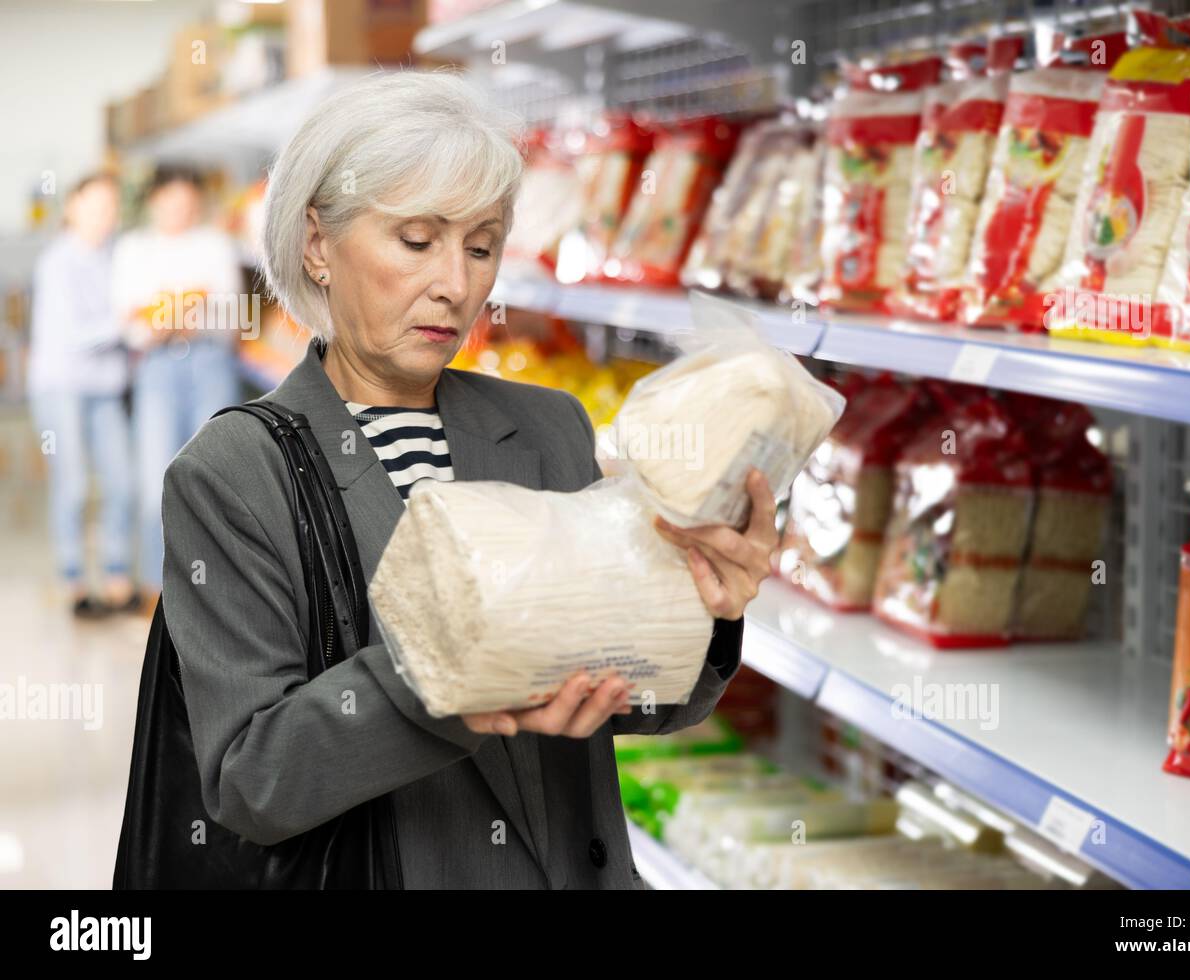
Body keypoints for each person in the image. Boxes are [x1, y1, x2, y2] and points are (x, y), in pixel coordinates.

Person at [158, 70, 777, 888]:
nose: (457, 284)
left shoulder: (551, 427)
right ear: (318, 243)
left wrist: (704, 610)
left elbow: (635, 698)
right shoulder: (236, 474)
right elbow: (251, 780)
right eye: (416, 241)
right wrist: (445, 676)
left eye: (480, 246)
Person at [111, 165, 242, 606]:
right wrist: (181, 310)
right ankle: (157, 587)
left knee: (213, 477)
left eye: (187, 203)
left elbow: (230, 317)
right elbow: (130, 324)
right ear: (152, 202)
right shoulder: (133, 248)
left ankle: (211, 592)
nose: (179, 211)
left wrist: (164, 313)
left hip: (210, 363)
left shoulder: (215, 243)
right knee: (156, 479)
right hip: (156, 368)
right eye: (170, 202)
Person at [28, 173, 138, 618]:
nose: (103, 217)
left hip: (105, 390)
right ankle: (74, 583)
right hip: (62, 389)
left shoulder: (117, 256)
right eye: (94, 206)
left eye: (110, 208)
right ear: (72, 207)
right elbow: (74, 335)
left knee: (121, 482)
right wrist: (128, 322)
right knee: (72, 486)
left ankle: (116, 578)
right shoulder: (57, 262)